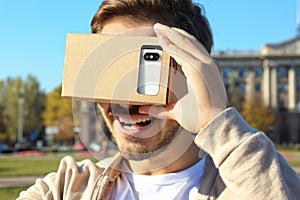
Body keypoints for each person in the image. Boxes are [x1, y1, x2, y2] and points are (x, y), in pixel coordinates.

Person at [18, 0, 300, 199]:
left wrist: (217, 123)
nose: (125, 102)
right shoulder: (66, 188)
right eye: (111, 71)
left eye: (145, 71)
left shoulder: (240, 186)